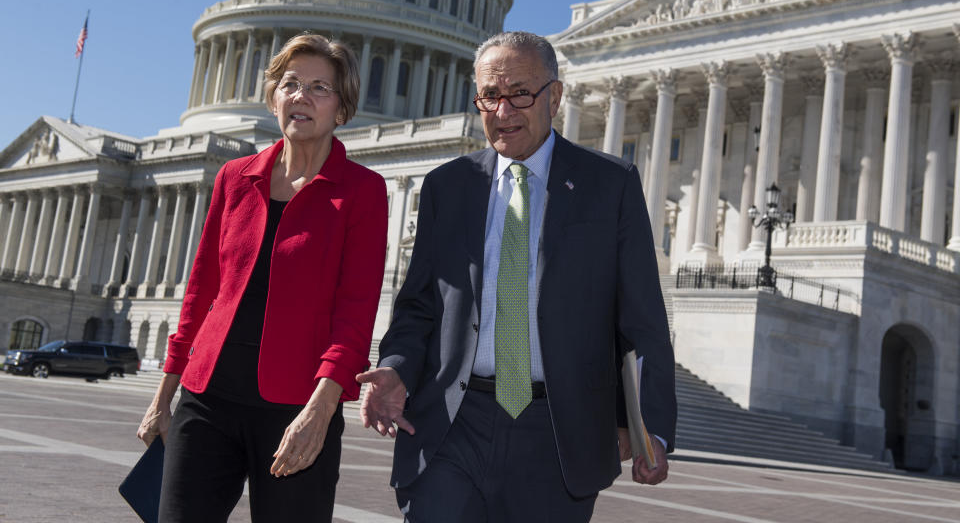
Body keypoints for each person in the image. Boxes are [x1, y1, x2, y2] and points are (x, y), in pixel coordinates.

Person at [358, 31, 676, 522]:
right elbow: (420, 303)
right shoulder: (449, 185)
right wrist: (396, 366)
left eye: (520, 94)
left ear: (555, 96)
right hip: (453, 421)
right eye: (490, 96)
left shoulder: (610, 185)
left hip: (557, 430)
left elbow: (641, 317)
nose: (503, 111)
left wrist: (648, 423)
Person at [137, 33, 388, 522]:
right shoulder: (235, 176)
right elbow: (201, 290)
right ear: (273, 97)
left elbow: (355, 314)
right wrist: (164, 395)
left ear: (342, 108)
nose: (301, 97)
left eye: (320, 87)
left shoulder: (362, 191)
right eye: (290, 84)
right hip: (207, 398)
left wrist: (320, 412)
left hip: (296, 405)